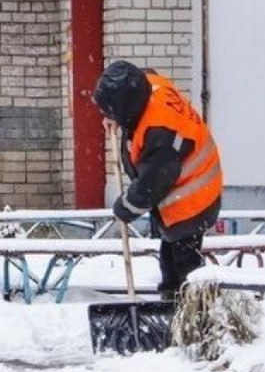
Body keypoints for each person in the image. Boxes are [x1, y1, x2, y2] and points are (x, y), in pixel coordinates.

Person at [93, 59, 223, 301]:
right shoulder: (149, 86)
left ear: (125, 105)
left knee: (183, 265)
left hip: (193, 197)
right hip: (184, 185)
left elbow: (151, 185)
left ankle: (194, 312)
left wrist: (125, 207)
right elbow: (143, 74)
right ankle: (175, 303)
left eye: (110, 110)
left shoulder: (161, 132)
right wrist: (115, 116)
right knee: (170, 257)